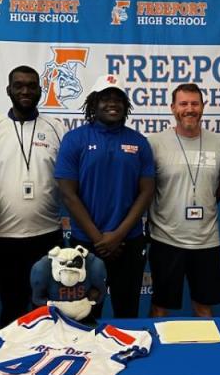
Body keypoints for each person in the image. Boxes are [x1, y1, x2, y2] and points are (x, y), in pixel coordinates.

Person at [55, 74, 154, 319]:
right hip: (87, 244)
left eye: (118, 99)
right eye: (105, 98)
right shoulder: (75, 140)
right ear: (93, 103)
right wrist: (99, 239)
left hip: (128, 243)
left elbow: (147, 192)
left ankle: (125, 356)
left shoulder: (138, 142)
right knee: (85, 313)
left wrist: (117, 236)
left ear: (126, 105)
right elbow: (68, 194)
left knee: (127, 312)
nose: (112, 104)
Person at [0, 65, 64, 327]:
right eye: (19, 85)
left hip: (48, 234)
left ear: (40, 90)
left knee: (48, 307)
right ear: (8, 90)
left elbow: (68, 180)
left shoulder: (57, 127)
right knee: (12, 305)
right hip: (5, 236)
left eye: (31, 85)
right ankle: (10, 365)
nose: (25, 90)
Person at [147, 84, 220, 317]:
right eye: (183, 104)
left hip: (206, 241)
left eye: (195, 103)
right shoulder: (155, 143)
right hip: (165, 239)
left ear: (203, 107)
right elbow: (147, 189)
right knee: (159, 307)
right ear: (173, 108)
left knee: (204, 307)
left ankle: (207, 354)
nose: (189, 109)